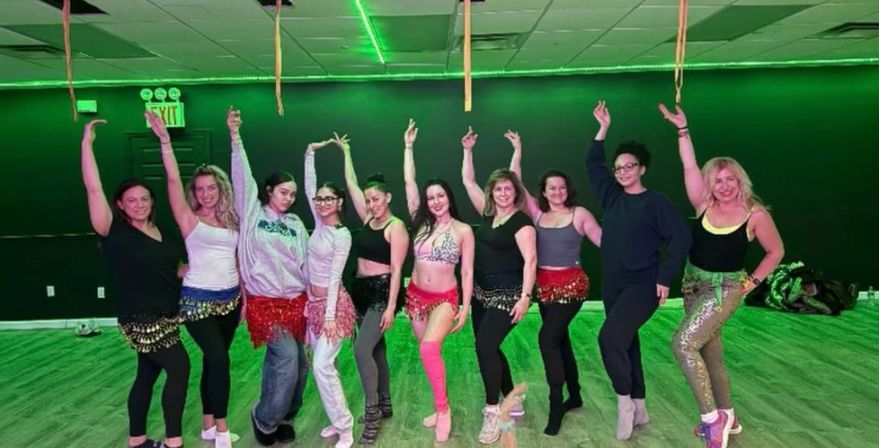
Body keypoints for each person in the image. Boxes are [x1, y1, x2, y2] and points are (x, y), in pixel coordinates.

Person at [659, 104, 784, 448]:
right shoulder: (703, 204)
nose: (725, 186)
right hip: (692, 285)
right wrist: (683, 130)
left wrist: (752, 283)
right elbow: (688, 164)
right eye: (718, 180)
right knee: (710, 354)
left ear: (740, 181)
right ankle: (730, 415)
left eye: (731, 180)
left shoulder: (754, 214)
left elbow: (776, 252)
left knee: (683, 344)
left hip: (724, 289)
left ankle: (712, 420)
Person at [586, 101, 691, 440]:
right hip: (613, 283)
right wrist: (602, 131)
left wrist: (664, 277)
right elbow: (593, 165)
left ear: (642, 168)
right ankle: (641, 403)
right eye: (618, 168)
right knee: (626, 342)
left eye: (629, 166)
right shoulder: (612, 197)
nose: (622, 171)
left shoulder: (656, 202)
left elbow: (680, 239)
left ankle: (624, 403)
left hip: (643, 284)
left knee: (608, 339)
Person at [81, 118, 189, 448]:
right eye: (131, 200)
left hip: (168, 314)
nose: (139, 204)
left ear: (152, 201)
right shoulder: (114, 231)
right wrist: (87, 145)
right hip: (141, 318)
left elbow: (177, 270)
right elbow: (94, 188)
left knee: (147, 374)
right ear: (120, 205)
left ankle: (137, 440)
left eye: (144, 199)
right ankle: (174, 442)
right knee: (180, 369)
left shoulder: (164, 232)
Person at [147, 110, 241, 448]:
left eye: (211, 188)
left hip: (231, 299)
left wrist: (242, 297)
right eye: (200, 189)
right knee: (219, 359)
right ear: (194, 192)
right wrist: (165, 142)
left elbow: (237, 260)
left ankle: (205, 423)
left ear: (221, 188)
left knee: (213, 362)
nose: (205, 194)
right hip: (197, 300)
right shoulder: (189, 219)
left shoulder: (232, 218)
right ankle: (221, 428)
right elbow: (173, 182)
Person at [506, 130, 602, 435]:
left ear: (567, 190)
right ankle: (574, 393)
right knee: (560, 340)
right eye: (551, 188)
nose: (557, 191)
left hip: (572, 286)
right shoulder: (536, 213)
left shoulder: (580, 214)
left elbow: (605, 243)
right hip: (544, 287)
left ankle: (556, 402)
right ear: (544, 192)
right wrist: (518, 150)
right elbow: (515, 181)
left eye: (561, 187)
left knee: (547, 339)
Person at [229, 108, 309, 447]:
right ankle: (264, 419)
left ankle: (285, 416)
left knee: (299, 366)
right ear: (268, 191)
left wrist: (315, 302)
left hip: (297, 302)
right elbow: (242, 177)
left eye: (292, 194)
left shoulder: (295, 225)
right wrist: (235, 137)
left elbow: (306, 264)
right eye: (283, 192)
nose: (288, 198)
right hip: (265, 302)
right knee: (286, 358)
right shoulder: (252, 214)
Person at [461, 127, 537, 445]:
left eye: (508, 189)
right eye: (498, 190)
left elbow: (531, 261)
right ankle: (510, 397)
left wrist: (525, 298)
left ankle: (493, 412)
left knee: (484, 347)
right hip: (481, 294)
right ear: (492, 193)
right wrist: (467, 151)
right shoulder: (489, 215)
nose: (502, 193)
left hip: (508, 296)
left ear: (515, 192)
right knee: (489, 347)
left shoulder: (522, 222)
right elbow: (467, 181)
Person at [403, 120, 474, 442]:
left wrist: (466, 307)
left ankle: (444, 410)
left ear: (449, 197)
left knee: (431, 348)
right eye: (430, 196)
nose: (435, 200)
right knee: (427, 352)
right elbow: (408, 181)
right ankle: (439, 405)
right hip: (416, 296)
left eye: (440, 195)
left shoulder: (463, 231)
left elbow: (468, 271)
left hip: (445, 298)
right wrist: (408, 146)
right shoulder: (420, 223)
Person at [337, 132, 409, 445]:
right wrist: (347, 152)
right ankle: (386, 400)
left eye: (376, 199)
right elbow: (351, 184)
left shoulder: (397, 228)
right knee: (376, 349)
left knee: (361, 349)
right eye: (368, 200)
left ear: (388, 198)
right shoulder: (368, 219)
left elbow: (397, 272)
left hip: (382, 292)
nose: (371, 204)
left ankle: (373, 412)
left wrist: (392, 307)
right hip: (361, 291)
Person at [304, 137, 358, 448]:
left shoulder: (342, 234)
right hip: (314, 305)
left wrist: (327, 316)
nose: (322, 203)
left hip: (333, 308)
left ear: (339, 202)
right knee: (326, 366)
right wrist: (310, 153)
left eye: (329, 199)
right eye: (319, 199)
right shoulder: (319, 224)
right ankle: (334, 421)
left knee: (322, 365)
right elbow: (310, 182)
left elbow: (336, 279)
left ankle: (346, 426)